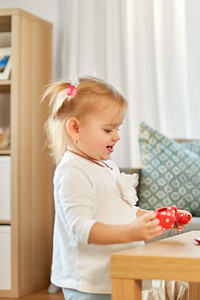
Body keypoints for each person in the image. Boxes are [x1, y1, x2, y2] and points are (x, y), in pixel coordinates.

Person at [42, 77, 188, 300]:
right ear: (75, 128)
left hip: (118, 273)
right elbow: (81, 228)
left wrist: (158, 218)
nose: (117, 136)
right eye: (108, 129)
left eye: (118, 128)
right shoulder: (72, 170)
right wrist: (131, 232)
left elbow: (125, 210)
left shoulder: (108, 165)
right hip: (89, 282)